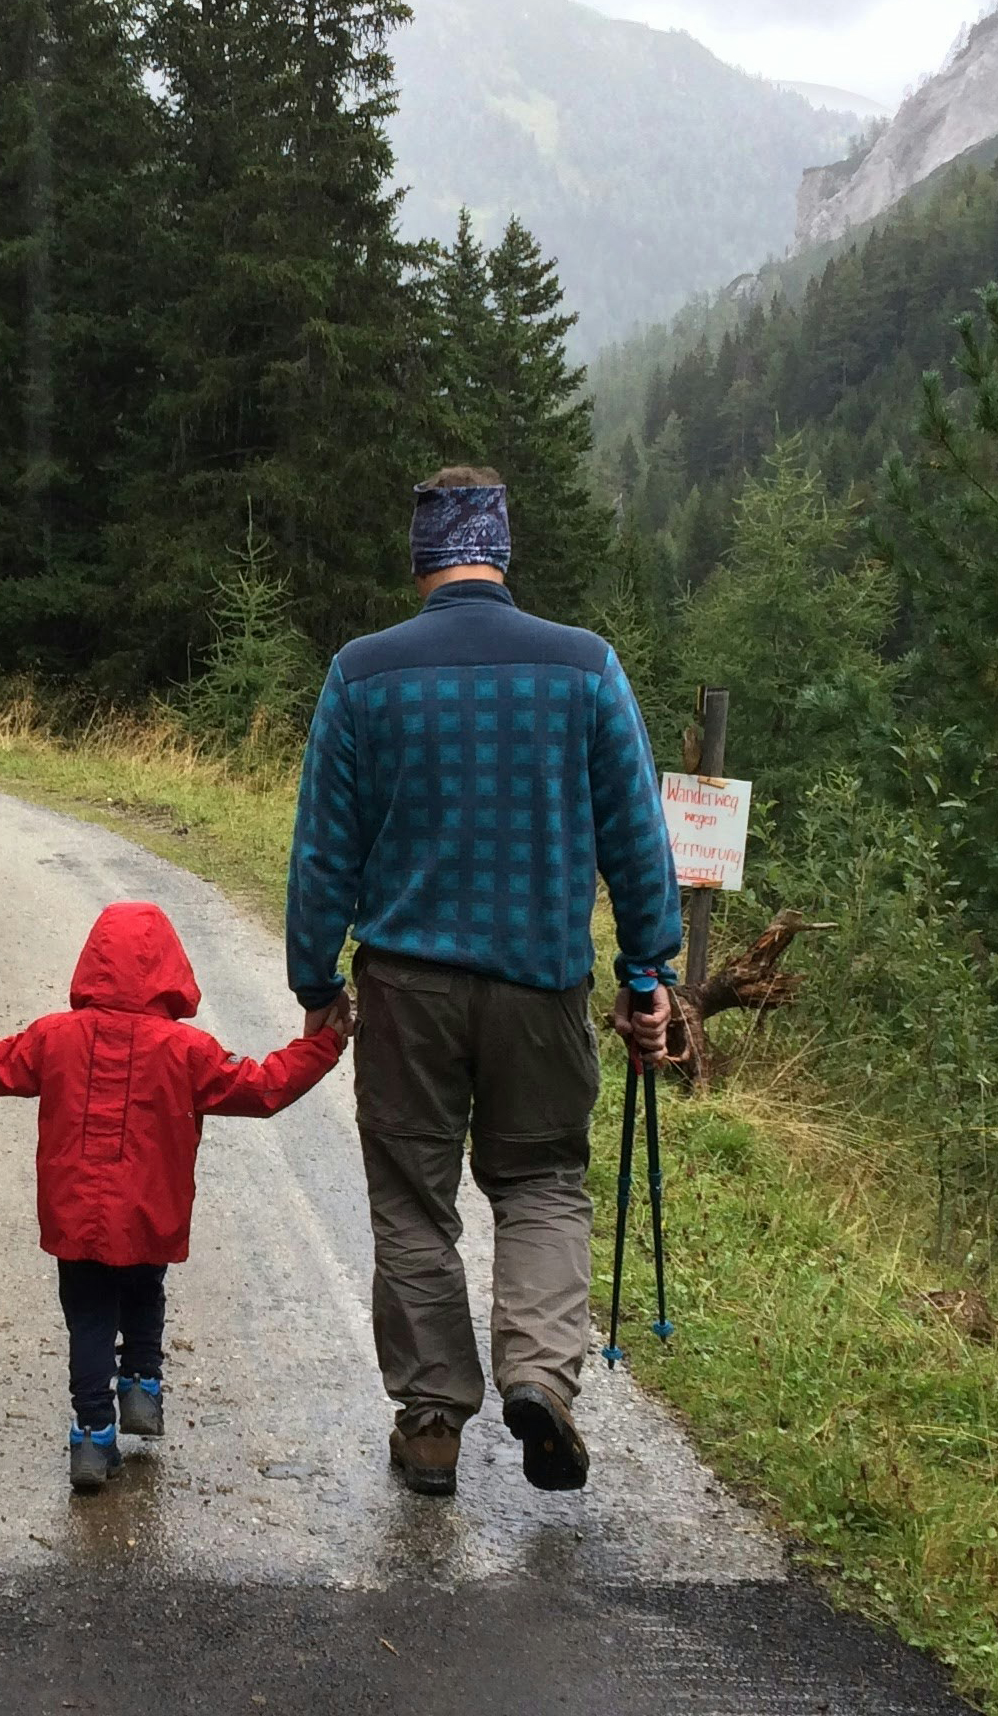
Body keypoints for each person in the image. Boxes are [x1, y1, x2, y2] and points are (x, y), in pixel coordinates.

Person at [284, 466, 683, 1499]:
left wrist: (313, 976)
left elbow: (324, 853)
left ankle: (430, 1426)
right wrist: (650, 973)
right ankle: (540, 1379)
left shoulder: (362, 677)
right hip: (541, 985)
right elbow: (638, 842)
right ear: (501, 548)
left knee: (413, 1203)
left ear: (419, 557)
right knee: (543, 1181)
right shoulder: (585, 668)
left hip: (408, 990)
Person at [0, 901, 346, 1492]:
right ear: (171, 969)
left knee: (90, 1315)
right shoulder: (188, 1050)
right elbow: (261, 1086)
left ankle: (93, 1436)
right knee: (145, 1288)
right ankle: (143, 1383)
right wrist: (323, 1046)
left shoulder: (55, 1037)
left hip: (75, 1213)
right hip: (150, 1211)